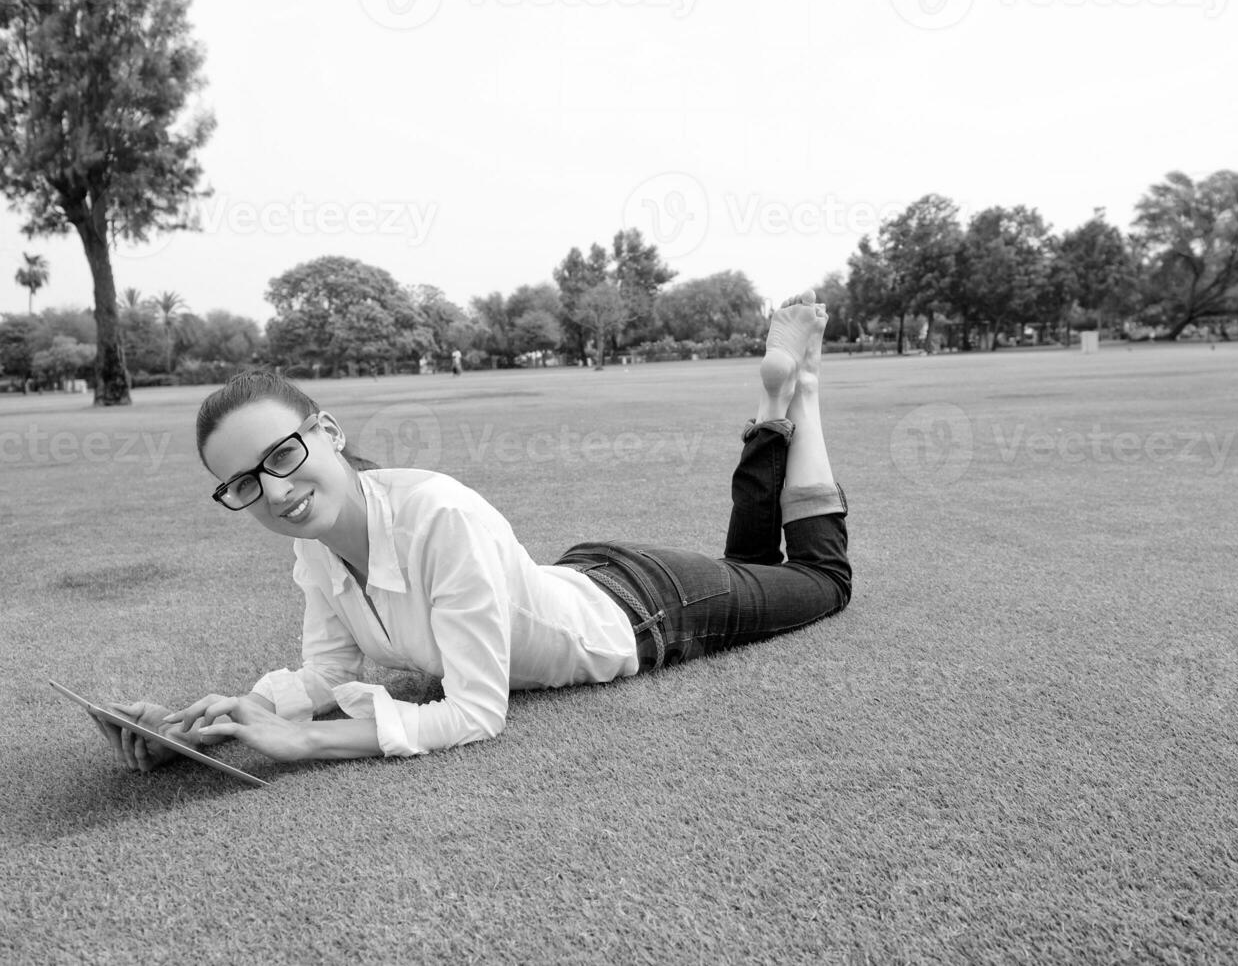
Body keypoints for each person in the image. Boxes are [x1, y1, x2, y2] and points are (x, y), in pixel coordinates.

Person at [99, 291, 850, 770]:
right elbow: (327, 675)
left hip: (651, 609)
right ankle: (775, 405)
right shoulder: (315, 544)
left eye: (284, 454)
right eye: (244, 482)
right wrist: (220, 719)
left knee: (820, 582)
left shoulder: (438, 514)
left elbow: (476, 713)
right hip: (578, 577)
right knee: (749, 564)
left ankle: (800, 395)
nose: (275, 491)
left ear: (327, 431)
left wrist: (302, 741)